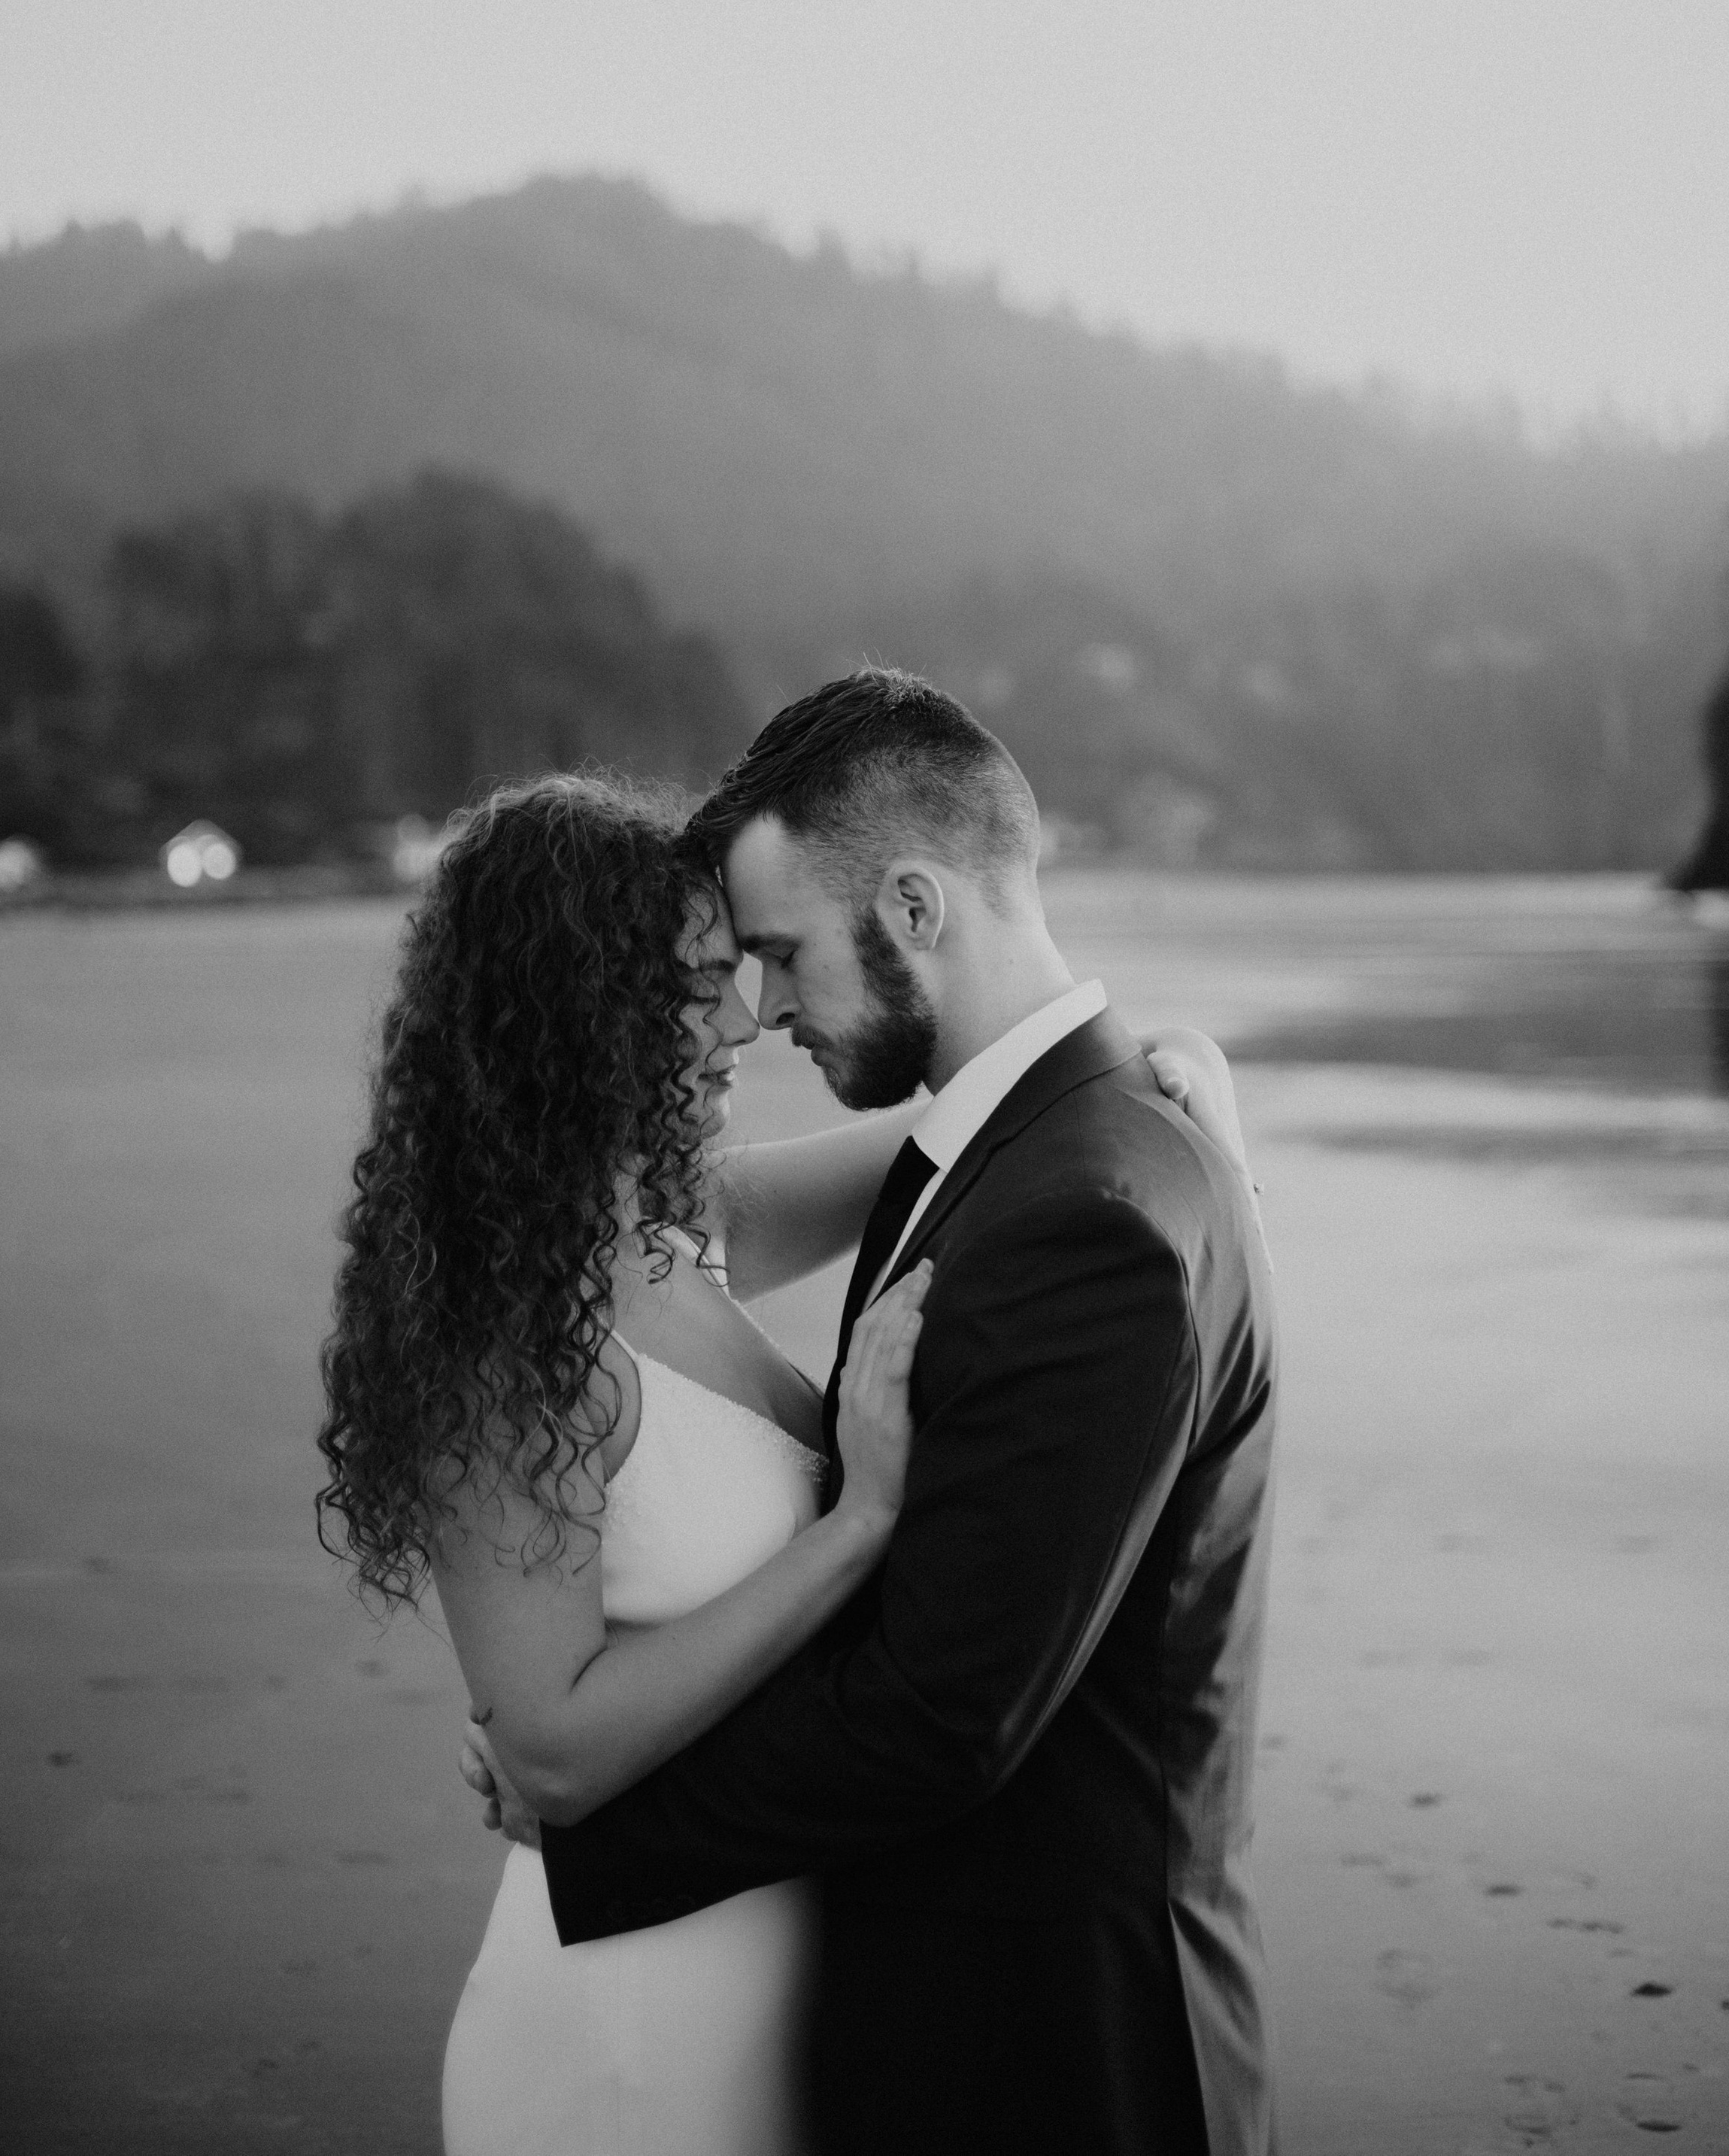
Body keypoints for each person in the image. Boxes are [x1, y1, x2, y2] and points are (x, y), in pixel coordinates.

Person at [319, 763, 1227, 2154]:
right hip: (631, 2012)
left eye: (745, 970)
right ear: (578, 1016)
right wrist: (856, 1526)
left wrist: (1166, 1071)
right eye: (698, 990)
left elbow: (985, 1131)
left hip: (782, 1956)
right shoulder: (504, 1332)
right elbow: (551, 1753)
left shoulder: (680, 1228)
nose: (743, 1021)